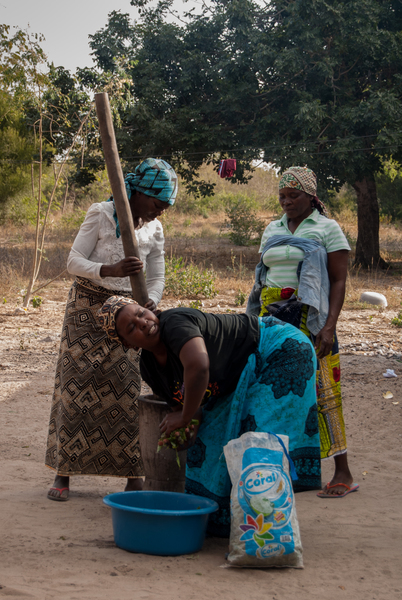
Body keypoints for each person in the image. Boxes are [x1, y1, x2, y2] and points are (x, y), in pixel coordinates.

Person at [97, 296, 321, 536]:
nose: (142, 323)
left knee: (259, 444)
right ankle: (222, 522)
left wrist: (184, 417)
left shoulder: (174, 322)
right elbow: (187, 407)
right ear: (128, 344)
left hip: (279, 349)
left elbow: (199, 366)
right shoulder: (150, 369)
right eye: (132, 328)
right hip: (237, 374)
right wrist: (188, 428)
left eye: (141, 313)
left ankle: (266, 534)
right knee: (208, 442)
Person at [45, 158, 178, 501]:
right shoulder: (101, 213)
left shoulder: (153, 229)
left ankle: (132, 475)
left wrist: (151, 300)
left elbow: (158, 273)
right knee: (77, 387)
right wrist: (109, 268)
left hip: (130, 316)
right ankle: (64, 473)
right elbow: (73, 260)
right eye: (156, 203)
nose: (159, 212)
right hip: (87, 310)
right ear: (138, 192)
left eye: (164, 207)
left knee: (125, 389)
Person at [247, 166, 357, 499]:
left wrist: (329, 326)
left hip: (310, 320)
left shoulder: (328, 228)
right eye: (282, 196)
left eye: (293, 195)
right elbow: (262, 276)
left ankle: (343, 472)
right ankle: (287, 469)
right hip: (272, 319)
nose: (286, 202)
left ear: (311, 196)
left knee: (324, 390)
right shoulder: (272, 229)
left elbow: (338, 280)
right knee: (273, 391)